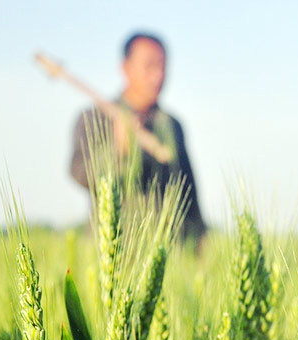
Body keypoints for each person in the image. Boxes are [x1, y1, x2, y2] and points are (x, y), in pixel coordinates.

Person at [70, 32, 206, 240]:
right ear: (125, 68)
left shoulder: (172, 125)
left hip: (168, 252)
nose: (158, 76)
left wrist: (201, 241)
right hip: (114, 250)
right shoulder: (95, 118)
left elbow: (189, 193)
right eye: (150, 66)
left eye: (162, 66)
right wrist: (117, 150)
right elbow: (79, 173)